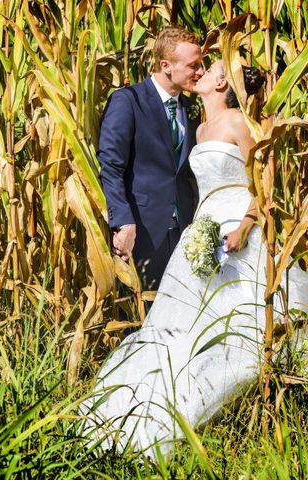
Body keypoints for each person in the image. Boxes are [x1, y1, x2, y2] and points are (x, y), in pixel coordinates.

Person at [80, 60, 308, 458]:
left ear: (223, 82)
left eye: (211, 67)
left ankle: (262, 414)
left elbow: (263, 186)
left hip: (239, 228)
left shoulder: (238, 122)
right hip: (203, 229)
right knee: (181, 324)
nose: (200, 71)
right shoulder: (197, 127)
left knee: (244, 323)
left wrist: (246, 227)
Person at [99, 26, 205, 290]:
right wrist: (123, 223)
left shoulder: (191, 108)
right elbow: (111, 167)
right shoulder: (128, 101)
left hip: (184, 234)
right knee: (140, 318)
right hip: (141, 232)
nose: (201, 72)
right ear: (166, 65)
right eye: (194, 65)